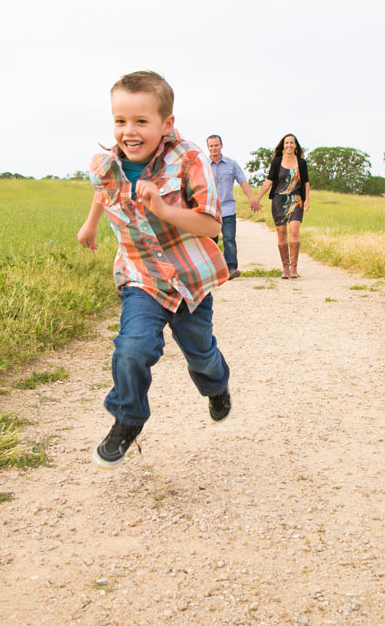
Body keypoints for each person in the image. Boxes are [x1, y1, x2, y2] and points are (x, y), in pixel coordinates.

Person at [77, 70, 232, 468]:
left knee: (201, 355)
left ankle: (217, 386)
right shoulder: (106, 163)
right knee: (132, 348)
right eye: (120, 120)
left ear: (167, 124)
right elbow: (102, 188)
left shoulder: (190, 160)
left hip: (188, 281)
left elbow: (212, 224)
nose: (129, 131)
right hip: (140, 277)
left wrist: (163, 209)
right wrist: (91, 223)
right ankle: (127, 419)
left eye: (141, 121)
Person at [255, 133, 310, 279]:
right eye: (287, 143)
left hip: (296, 200)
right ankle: (285, 267)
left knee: (293, 231)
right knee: (281, 233)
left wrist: (307, 200)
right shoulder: (277, 162)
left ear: (296, 145)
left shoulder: (302, 162)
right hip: (279, 201)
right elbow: (269, 181)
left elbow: (306, 183)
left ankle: (294, 268)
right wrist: (257, 199)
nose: (289, 146)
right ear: (283, 145)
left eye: (292, 143)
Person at [206, 134, 261, 279]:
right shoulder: (203, 165)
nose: (214, 148)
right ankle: (213, 270)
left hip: (228, 208)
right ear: (208, 148)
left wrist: (252, 199)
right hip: (209, 210)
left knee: (229, 238)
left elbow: (242, 182)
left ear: (221, 146)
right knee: (210, 241)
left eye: (216, 145)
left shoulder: (231, 164)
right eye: (211, 146)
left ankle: (231, 268)